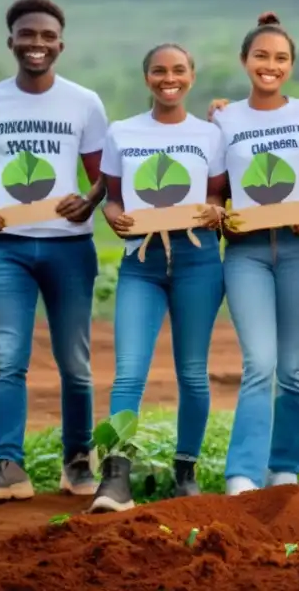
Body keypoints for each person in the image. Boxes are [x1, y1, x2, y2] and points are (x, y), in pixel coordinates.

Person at [0, 0, 108, 504]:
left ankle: (79, 464)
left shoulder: (84, 102)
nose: (37, 44)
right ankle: (9, 468)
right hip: (8, 249)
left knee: (75, 362)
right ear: (11, 42)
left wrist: (88, 203)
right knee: (8, 359)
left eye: (47, 37)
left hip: (69, 249)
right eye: (27, 35)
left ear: (60, 44)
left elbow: (100, 178)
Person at [88, 43, 226, 513]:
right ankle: (115, 478)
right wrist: (113, 215)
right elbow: (111, 197)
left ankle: (185, 472)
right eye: (159, 71)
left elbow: (218, 196)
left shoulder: (210, 134)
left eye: (179, 70)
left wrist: (215, 211)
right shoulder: (122, 131)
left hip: (198, 261)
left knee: (192, 372)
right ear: (146, 76)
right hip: (139, 265)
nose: (170, 78)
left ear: (192, 75)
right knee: (129, 372)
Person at [208, 13, 299, 495]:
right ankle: (243, 473)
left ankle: (285, 466)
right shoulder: (223, 118)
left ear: (291, 66)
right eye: (261, 56)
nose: (269, 65)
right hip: (246, 252)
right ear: (244, 61)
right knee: (259, 361)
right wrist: (218, 213)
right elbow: (216, 189)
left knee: (294, 368)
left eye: (280, 58)